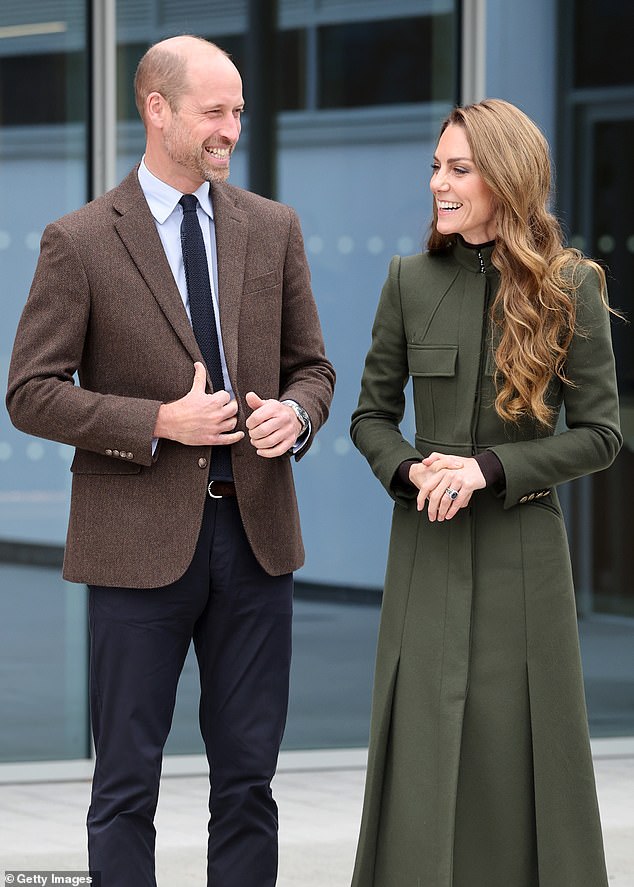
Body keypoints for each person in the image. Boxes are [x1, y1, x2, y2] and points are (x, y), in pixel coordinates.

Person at [6, 35, 334, 887]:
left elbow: (315, 366)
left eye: (238, 112)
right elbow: (31, 391)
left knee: (249, 782)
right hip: (135, 546)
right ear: (158, 109)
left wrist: (294, 416)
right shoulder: (78, 241)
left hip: (258, 539)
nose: (231, 129)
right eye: (214, 112)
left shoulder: (274, 227)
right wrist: (161, 420)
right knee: (123, 786)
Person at [349, 99, 621, 887]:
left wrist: (487, 469)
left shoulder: (571, 287)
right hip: (426, 549)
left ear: (506, 177)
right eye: (437, 166)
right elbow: (372, 415)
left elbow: (600, 434)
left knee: (515, 754)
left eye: (458, 169)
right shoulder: (408, 280)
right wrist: (410, 468)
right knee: (425, 752)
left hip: (524, 558)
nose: (439, 182)